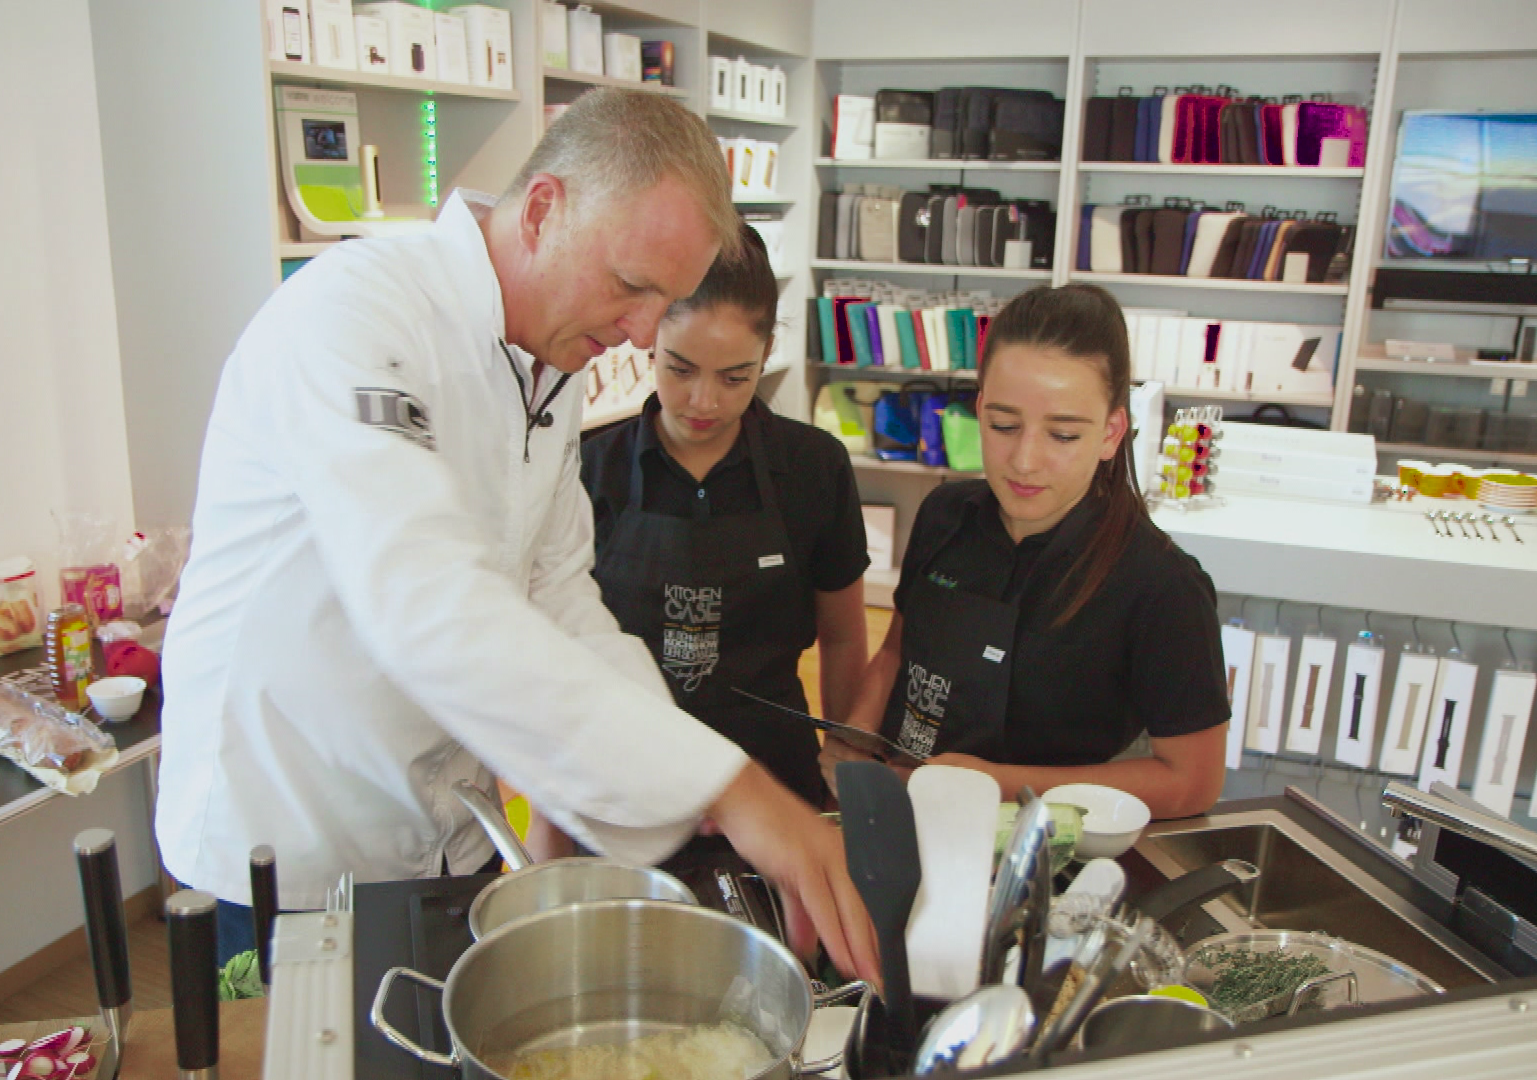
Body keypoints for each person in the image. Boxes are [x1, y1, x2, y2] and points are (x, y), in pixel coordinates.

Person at [155, 88, 877, 983]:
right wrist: (722, 787)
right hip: (295, 841)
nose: (641, 334)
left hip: (450, 835)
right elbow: (425, 603)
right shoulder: (355, 317)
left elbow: (561, 594)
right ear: (542, 212)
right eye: (631, 287)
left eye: (669, 300)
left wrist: (700, 786)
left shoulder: (546, 363)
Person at [820, 284, 1228, 818]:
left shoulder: (1161, 586)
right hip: (901, 819)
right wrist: (858, 735)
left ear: (1110, 433)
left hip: (1047, 859)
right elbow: (900, 649)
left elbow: (1193, 780)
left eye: (1062, 435)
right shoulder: (945, 514)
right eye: (1004, 426)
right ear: (980, 409)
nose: (1025, 460)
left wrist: (999, 784)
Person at [574, 224, 871, 814]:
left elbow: (841, 635)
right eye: (680, 370)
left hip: (773, 770)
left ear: (766, 355)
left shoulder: (813, 467)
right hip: (630, 771)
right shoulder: (593, 468)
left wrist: (846, 750)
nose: (704, 402)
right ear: (649, 342)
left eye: (736, 377)